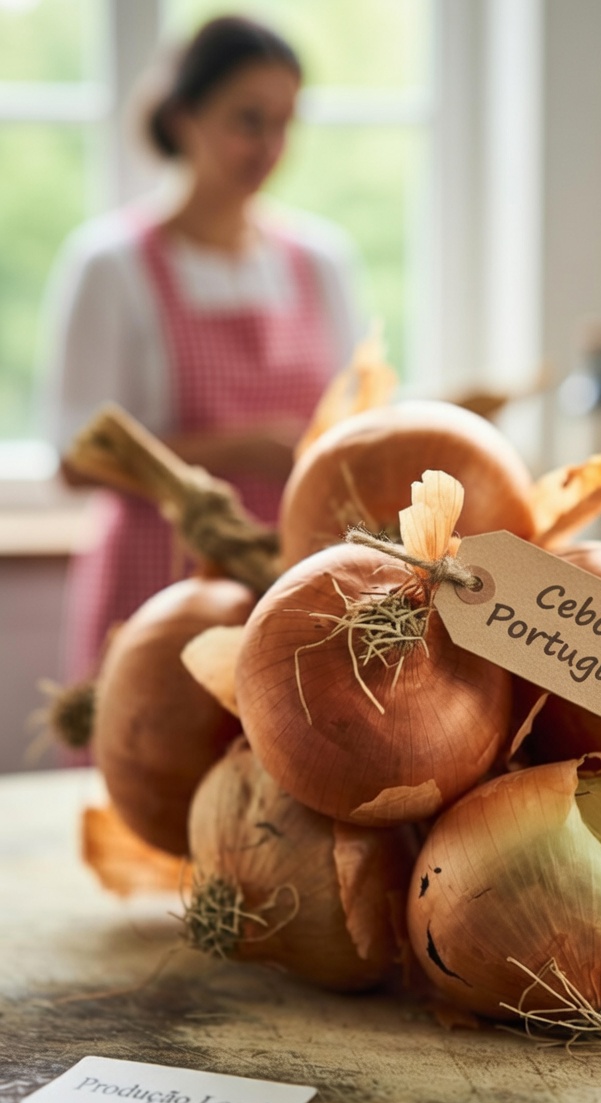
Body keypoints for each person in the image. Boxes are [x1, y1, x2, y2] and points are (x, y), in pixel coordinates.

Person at [41, 15, 365, 683]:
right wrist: (243, 450)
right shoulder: (111, 266)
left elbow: (357, 418)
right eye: (249, 120)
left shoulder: (321, 262)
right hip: (156, 590)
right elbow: (76, 460)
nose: (270, 146)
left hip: (295, 585)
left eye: (285, 123)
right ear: (183, 117)